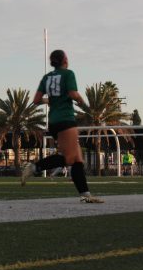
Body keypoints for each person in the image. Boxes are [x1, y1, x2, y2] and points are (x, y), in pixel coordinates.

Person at [21, 50, 103, 203]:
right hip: (66, 120)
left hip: (53, 121)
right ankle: (34, 168)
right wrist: (83, 103)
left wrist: (50, 101)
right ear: (65, 59)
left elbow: (37, 99)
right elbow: (73, 94)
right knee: (71, 158)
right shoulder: (68, 74)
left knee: (77, 160)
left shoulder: (47, 77)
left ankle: (86, 195)